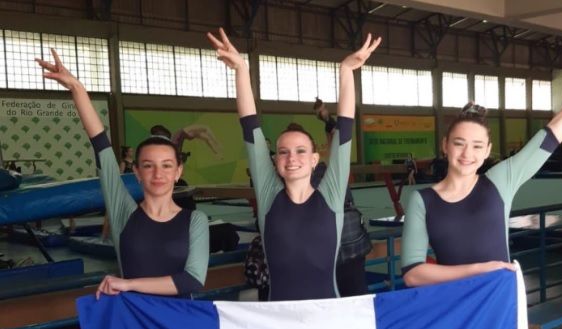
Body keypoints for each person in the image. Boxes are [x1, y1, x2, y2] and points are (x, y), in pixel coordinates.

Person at [401, 42, 562, 287]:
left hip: (500, 302)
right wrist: (479, 269)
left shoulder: (499, 181)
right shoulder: (423, 200)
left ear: (487, 151)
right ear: (445, 145)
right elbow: (412, 272)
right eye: (459, 143)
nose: (467, 154)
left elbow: (556, 130)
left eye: (477, 145)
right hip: (453, 306)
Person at [208, 28, 381, 301]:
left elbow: (345, 128)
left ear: (315, 159)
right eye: (283, 152)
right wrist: (241, 69)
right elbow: (249, 125)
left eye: (301, 151)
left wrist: (346, 70)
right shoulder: (268, 195)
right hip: (279, 316)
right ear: (275, 160)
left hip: (326, 313)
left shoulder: (331, 194)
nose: (292, 158)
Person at [36, 49, 209, 298]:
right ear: (137, 172)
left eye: (167, 165)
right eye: (149, 165)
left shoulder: (195, 221)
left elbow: (192, 281)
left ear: (178, 171)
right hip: (133, 320)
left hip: (177, 323)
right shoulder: (123, 213)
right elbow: (102, 147)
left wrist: (129, 284)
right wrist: (77, 88)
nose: (158, 173)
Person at [313, 99, 371, 297]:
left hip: (343, 245)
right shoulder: (329, 170)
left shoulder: (330, 170)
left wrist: (327, 119)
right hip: (339, 247)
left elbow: (338, 139)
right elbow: (337, 139)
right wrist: (327, 118)